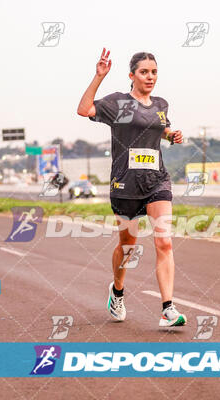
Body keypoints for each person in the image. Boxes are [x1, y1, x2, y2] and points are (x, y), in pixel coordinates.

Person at [77, 49, 186, 327]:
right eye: (144, 72)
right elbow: (84, 109)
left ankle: (167, 309)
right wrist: (98, 76)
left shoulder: (161, 104)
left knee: (164, 241)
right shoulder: (118, 103)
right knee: (128, 246)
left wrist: (171, 134)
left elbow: (158, 127)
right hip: (125, 183)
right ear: (132, 75)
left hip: (156, 180)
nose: (150, 77)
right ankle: (117, 290)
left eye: (154, 72)